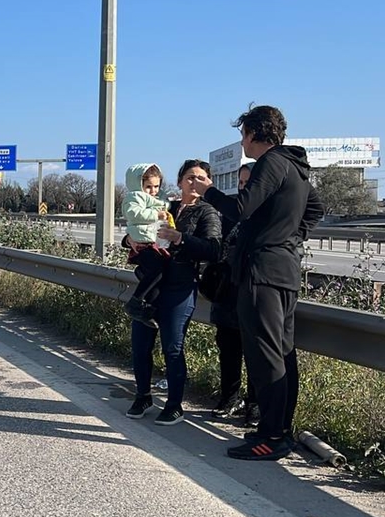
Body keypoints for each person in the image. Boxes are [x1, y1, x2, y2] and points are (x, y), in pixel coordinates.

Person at [198, 104, 324, 461]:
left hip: (262, 273)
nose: (242, 142)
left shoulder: (271, 162)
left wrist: (208, 192)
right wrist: (289, 239)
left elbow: (241, 207)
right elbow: (316, 210)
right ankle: (278, 429)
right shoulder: (297, 168)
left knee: (265, 355)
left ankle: (271, 437)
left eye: (243, 135)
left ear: (254, 133)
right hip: (284, 272)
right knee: (282, 352)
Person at [125, 159, 222, 426]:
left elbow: (213, 249)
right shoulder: (163, 205)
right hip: (152, 285)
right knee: (140, 344)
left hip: (180, 287)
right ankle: (143, 395)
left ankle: (174, 404)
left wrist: (181, 238)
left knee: (173, 347)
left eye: (201, 178)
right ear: (179, 181)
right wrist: (127, 240)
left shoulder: (207, 212)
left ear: (208, 183)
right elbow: (136, 227)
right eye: (189, 177)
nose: (194, 183)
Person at [211, 163, 258, 423]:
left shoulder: (265, 214)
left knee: (254, 349)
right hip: (228, 289)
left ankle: (255, 403)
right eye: (240, 183)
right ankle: (230, 397)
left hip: (253, 289)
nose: (242, 188)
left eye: (247, 183)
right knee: (228, 347)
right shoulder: (231, 213)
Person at [122, 164, 173, 328]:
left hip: (153, 241)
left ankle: (147, 308)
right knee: (157, 270)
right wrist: (156, 214)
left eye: (156, 186)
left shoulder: (160, 198)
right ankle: (135, 302)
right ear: (139, 185)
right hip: (143, 242)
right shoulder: (134, 197)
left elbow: (168, 205)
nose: (153, 191)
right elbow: (133, 213)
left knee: (159, 272)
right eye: (148, 187)